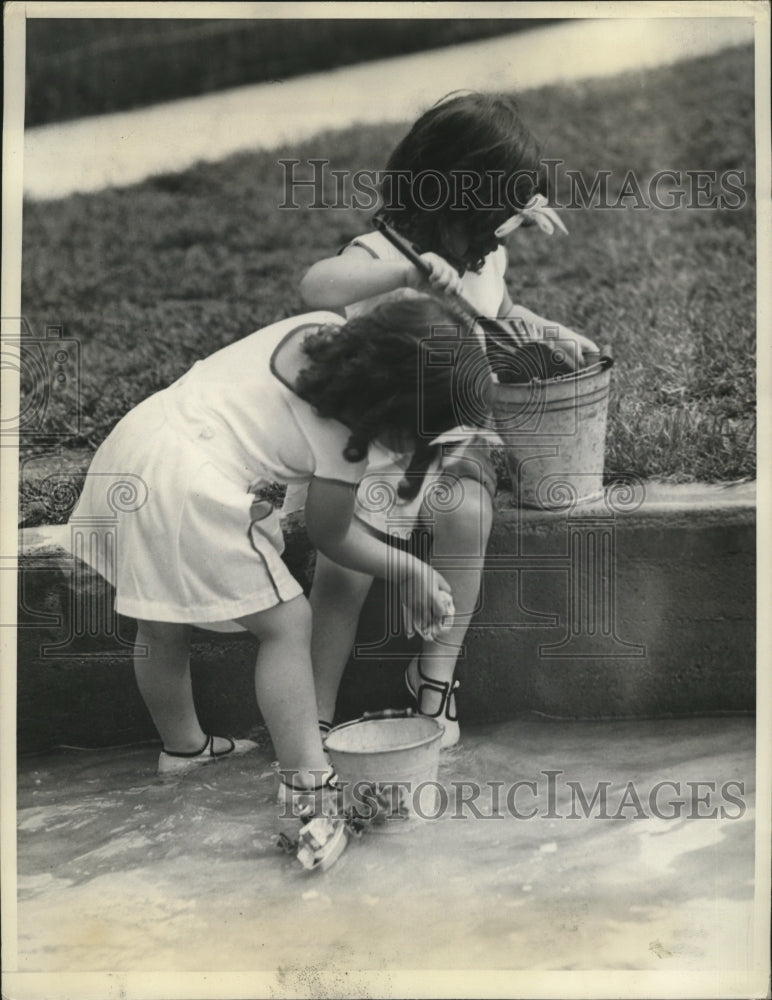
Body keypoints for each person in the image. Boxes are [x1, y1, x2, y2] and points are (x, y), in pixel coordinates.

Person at [69, 296, 486, 848]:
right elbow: (330, 533)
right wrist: (408, 569)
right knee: (287, 623)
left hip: (134, 446)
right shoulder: (344, 435)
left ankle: (184, 749)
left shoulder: (317, 331)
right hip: (191, 484)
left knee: (160, 621)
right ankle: (309, 792)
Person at [295, 91, 599, 747]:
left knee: (467, 514)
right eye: (493, 216)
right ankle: (314, 712)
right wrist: (401, 273)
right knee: (344, 570)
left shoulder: (489, 255)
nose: (498, 235)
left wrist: (546, 327)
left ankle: (433, 679)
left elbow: (499, 313)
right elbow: (316, 286)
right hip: (371, 440)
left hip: (448, 434)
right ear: (450, 202)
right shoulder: (381, 254)